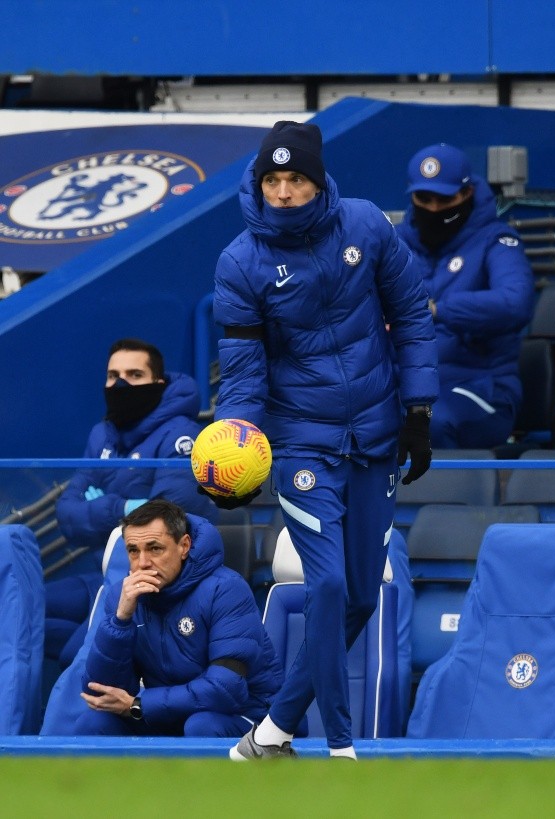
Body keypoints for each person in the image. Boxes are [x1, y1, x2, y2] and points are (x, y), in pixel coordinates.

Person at [207, 120, 438, 759]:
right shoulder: (239, 262)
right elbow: (244, 375)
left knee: (361, 596)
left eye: (295, 178)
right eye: (272, 180)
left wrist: (418, 410)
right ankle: (339, 748)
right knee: (329, 586)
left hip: (375, 436)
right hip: (301, 443)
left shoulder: (366, 225)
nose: (283, 192)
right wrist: (235, 448)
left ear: (318, 179)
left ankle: (270, 734)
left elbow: (412, 315)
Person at [46, 337, 217, 669]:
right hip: (99, 576)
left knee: (76, 656)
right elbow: (66, 516)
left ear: (158, 383)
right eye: (113, 376)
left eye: (135, 375)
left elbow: (169, 520)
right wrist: (122, 508)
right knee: (19, 609)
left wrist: (99, 506)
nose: (121, 385)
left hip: (153, 585)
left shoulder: (181, 434)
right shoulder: (102, 434)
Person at [75, 499, 283, 736]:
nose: (143, 563)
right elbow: (99, 693)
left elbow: (225, 690)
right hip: (166, 715)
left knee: (201, 726)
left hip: (245, 717)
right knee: (93, 723)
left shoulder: (226, 590)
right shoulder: (124, 597)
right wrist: (120, 621)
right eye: (133, 550)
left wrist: (139, 705)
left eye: (155, 549)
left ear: (184, 546)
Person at [395, 143, 535, 448]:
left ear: (467, 193)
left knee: (429, 423)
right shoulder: (395, 243)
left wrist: (437, 310)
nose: (434, 209)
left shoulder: (496, 241)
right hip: (404, 384)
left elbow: (516, 302)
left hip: (480, 386)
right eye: (424, 199)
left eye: (445, 199)